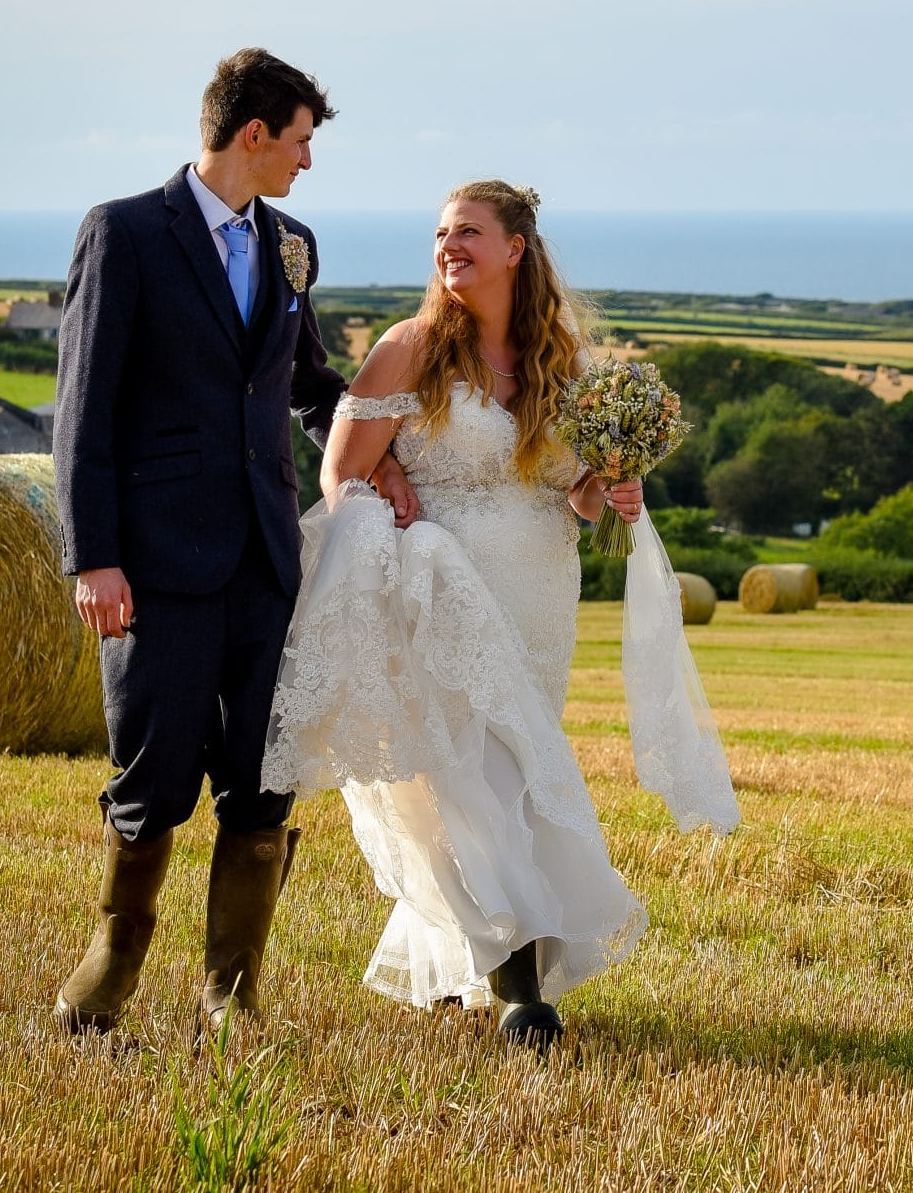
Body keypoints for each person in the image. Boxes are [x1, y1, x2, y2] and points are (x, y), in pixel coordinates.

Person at [50, 49, 413, 1038]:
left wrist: (389, 438)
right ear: (253, 134)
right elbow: (82, 405)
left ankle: (232, 988)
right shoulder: (123, 232)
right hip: (154, 558)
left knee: (265, 770)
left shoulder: (293, 240)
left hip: (267, 553)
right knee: (155, 773)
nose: (307, 160)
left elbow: (302, 379)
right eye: (299, 139)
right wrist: (94, 553)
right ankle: (114, 956)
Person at [261, 180, 649, 1048]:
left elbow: (575, 498)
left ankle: (460, 962)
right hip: (438, 589)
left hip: (539, 595)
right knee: (474, 778)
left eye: (468, 232)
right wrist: (392, 497)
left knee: (516, 768)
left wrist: (608, 486)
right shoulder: (408, 349)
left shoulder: (564, 364)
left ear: (516, 248)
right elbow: (341, 477)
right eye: (440, 232)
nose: (449, 245)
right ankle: (520, 987)